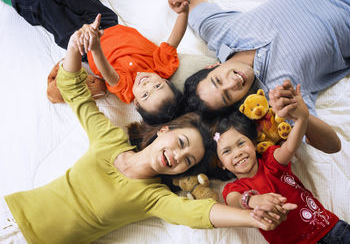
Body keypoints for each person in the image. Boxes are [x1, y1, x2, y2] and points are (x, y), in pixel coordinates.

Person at [0, 13, 297, 244]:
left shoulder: (152, 198)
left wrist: (252, 218)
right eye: (182, 143)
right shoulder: (110, 141)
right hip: (11, 215)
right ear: (164, 131)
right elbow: (74, 91)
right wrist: (77, 43)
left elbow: (199, 213)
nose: (179, 157)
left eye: (188, 161)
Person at [166, 0, 345, 153]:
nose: (232, 83)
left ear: (212, 66)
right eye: (228, 96)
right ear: (238, 104)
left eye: (218, 80)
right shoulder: (278, 96)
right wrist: (301, 116)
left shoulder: (219, 32)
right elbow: (333, 146)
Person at [0, 0, 189, 125]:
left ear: (137, 104)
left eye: (145, 95)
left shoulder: (126, 90)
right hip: (107, 23)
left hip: (83, 42)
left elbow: (106, 70)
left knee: (45, 9)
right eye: (158, 86)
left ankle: (17, 1)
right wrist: (183, 13)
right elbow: (174, 39)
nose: (147, 84)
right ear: (165, 80)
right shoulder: (163, 66)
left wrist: (95, 46)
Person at [213, 84, 350, 243]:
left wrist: (301, 119)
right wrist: (252, 201)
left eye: (241, 144)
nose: (237, 153)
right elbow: (234, 201)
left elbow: (290, 146)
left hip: (331, 229)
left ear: (253, 143)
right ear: (220, 163)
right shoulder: (235, 188)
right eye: (227, 151)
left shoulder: (271, 160)